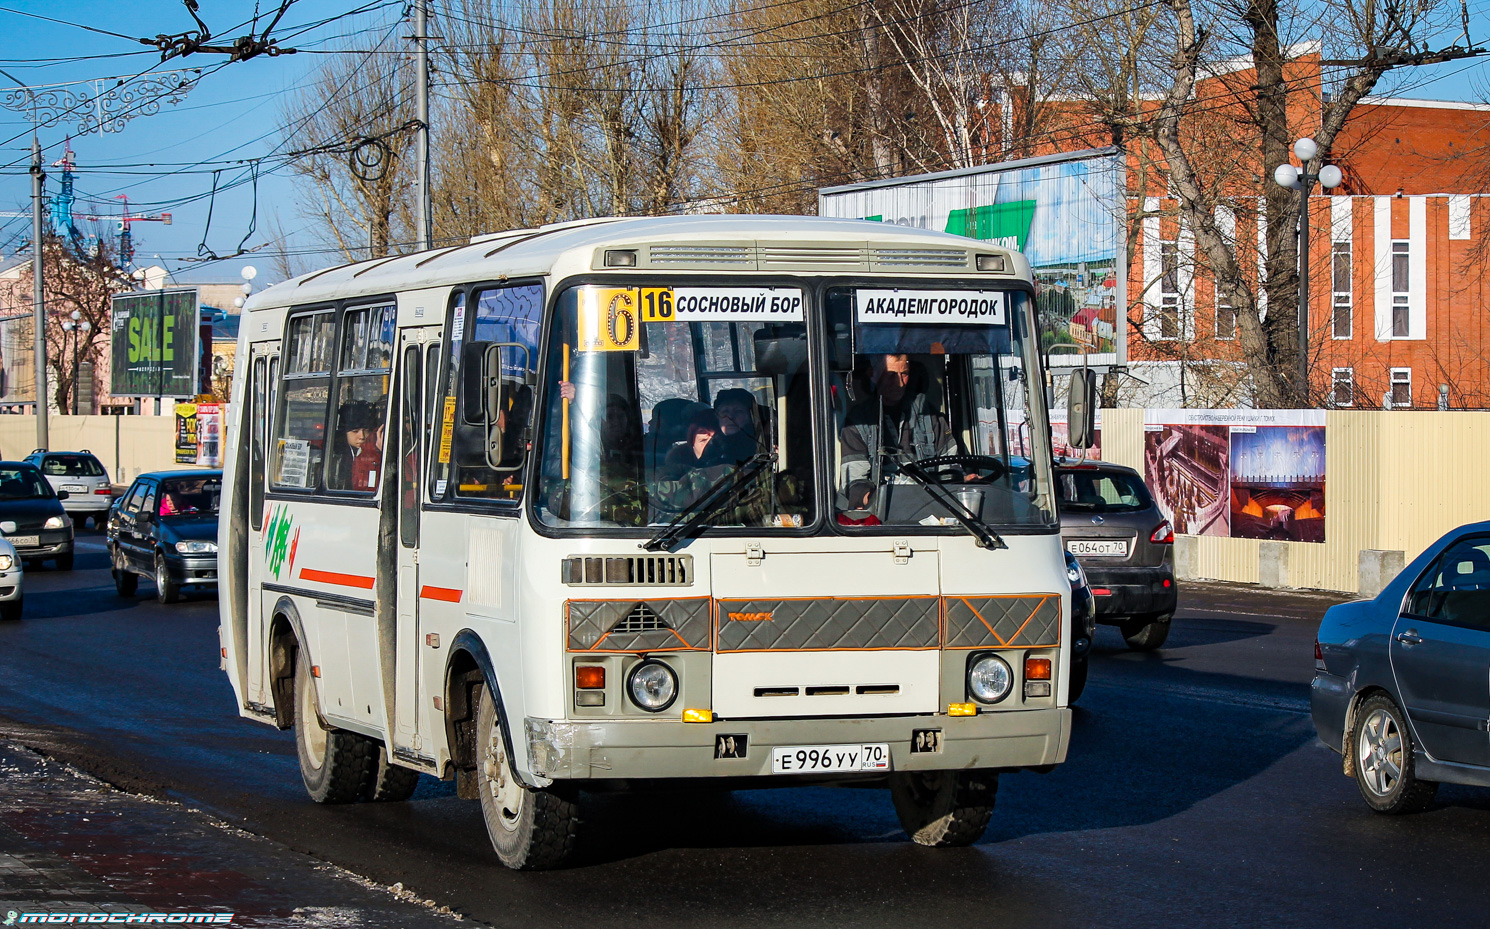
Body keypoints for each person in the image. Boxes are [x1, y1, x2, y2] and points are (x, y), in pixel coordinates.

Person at [839, 353, 956, 490]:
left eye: (904, 374)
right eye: (891, 375)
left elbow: (951, 467)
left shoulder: (930, 416)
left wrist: (962, 479)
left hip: (931, 502)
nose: (900, 383)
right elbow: (855, 482)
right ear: (873, 375)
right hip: (883, 506)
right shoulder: (858, 423)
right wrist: (862, 494)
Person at [711, 388, 766, 465]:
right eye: (725, 411)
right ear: (717, 416)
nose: (731, 417)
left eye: (738, 411)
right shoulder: (709, 447)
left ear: (750, 417)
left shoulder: (763, 446)